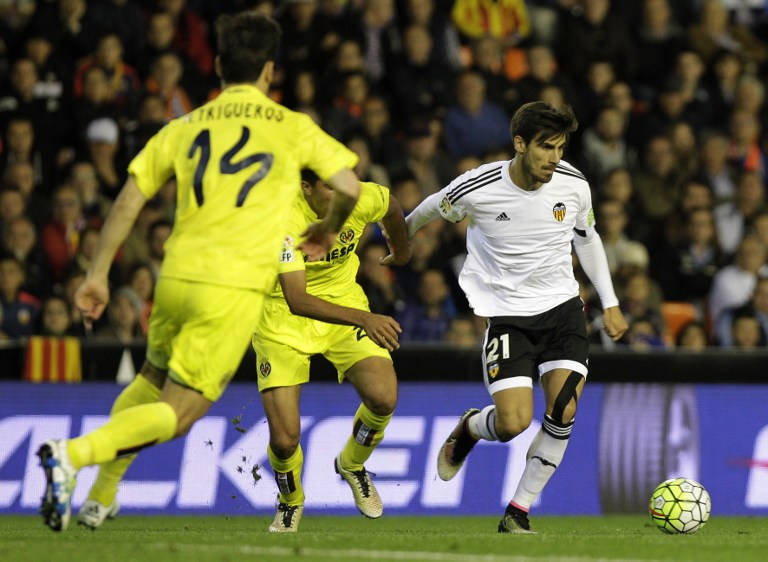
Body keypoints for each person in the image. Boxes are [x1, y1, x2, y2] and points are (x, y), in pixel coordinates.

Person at [36, 12, 362, 533]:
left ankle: (100, 494)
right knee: (181, 411)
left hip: (175, 276)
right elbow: (347, 186)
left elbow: (128, 201)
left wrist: (97, 273)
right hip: (229, 287)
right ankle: (72, 454)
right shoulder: (292, 126)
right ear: (270, 71)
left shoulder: (185, 124)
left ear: (216, 66)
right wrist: (325, 229)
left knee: (151, 379)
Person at [404, 101, 627, 533]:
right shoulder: (480, 185)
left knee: (563, 410)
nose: (554, 158)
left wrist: (611, 301)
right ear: (519, 144)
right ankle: (470, 428)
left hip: (562, 309)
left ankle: (518, 512)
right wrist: (402, 239)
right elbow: (431, 206)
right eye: (545, 147)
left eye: (560, 148)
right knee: (512, 423)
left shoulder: (574, 185)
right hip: (507, 317)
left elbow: (588, 239)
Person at [253, 170, 411, 532]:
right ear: (305, 188)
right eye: (329, 186)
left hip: (343, 301)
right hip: (282, 316)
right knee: (284, 438)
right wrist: (364, 318)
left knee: (383, 398)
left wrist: (401, 252)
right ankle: (290, 502)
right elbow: (297, 299)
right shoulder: (283, 220)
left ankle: (352, 464)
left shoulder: (359, 196)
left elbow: (392, 206)